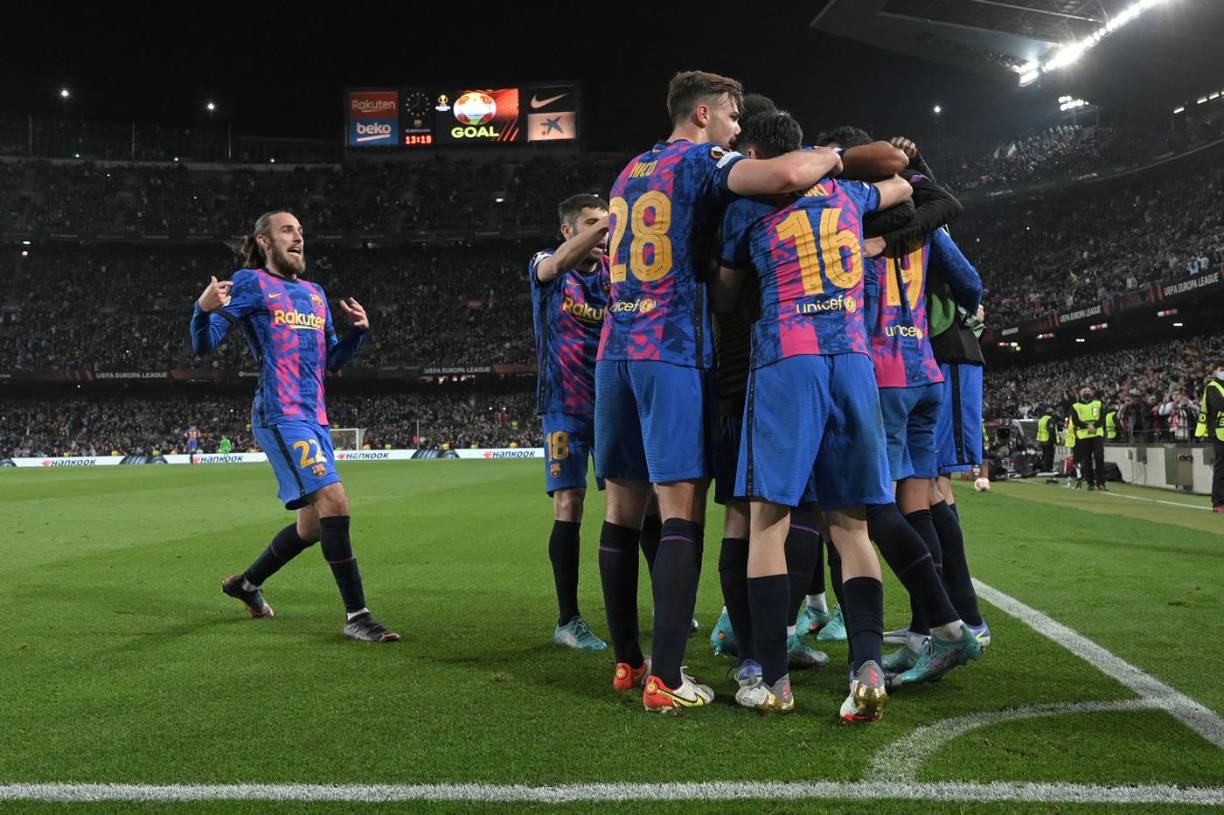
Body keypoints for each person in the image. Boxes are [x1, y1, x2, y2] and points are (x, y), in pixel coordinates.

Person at [594, 70, 843, 714]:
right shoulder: (701, 160)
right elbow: (786, 175)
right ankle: (666, 678)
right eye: (732, 116)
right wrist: (835, 155)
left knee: (621, 512)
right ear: (703, 115)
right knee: (682, 511)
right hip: (669, 349)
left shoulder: (630, 170)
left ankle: (629, 661)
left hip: (615, 351)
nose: (737, 130)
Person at [713, 110, 912, 718]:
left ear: (756, 156)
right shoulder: (850, 194)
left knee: (768, 523)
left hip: (787, 360)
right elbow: (902, 183)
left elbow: (725, 295)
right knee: (852, 528)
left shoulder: (746, 207)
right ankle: (868, 665)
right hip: (852, 360)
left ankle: (773, 680)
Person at [191, 210, 398, 643]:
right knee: (335, 502)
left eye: (301, 231)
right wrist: (201, 310)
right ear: (265, 242)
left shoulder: (315, 294)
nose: (298, 237)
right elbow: (204, 343)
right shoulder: (250, 283)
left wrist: (358, 334)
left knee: (311, 527)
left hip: (315, 415)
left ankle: (246, 584)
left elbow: (329, 362)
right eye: (288, 230)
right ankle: (358, 616)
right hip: (280, 413)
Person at [529, 193, 611, 651]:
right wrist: (610, 224)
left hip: (612, 405)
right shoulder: (546, 263)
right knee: (569, 504)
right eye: (591, 223)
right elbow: (555, 265)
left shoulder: (615, 273)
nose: (603, 232)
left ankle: (664, 603)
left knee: (642, 505)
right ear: (568, 230)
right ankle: (568, 620)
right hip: (563, 405)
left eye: (606, 222)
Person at [1195, 364, 1224, 511]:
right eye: (1221, 370)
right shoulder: (1212, 387)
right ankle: (1218, 502)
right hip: (1219, 433)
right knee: (1221, 467)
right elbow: (1220, 404)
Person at [1071, 386, 1106, 490]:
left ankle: (1101, 482)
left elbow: (1102, 418)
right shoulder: (1076, 406)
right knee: (1086, 460)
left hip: (1097, 433)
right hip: (1083, 435)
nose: (1087, 392)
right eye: (1084, 391)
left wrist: (1094, 425)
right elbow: (1075, 420)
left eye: (1088, 391)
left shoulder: (1098, 403)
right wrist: (1087, 426)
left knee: (1099, 457)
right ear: (1080, 393)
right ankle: (1090, 483)